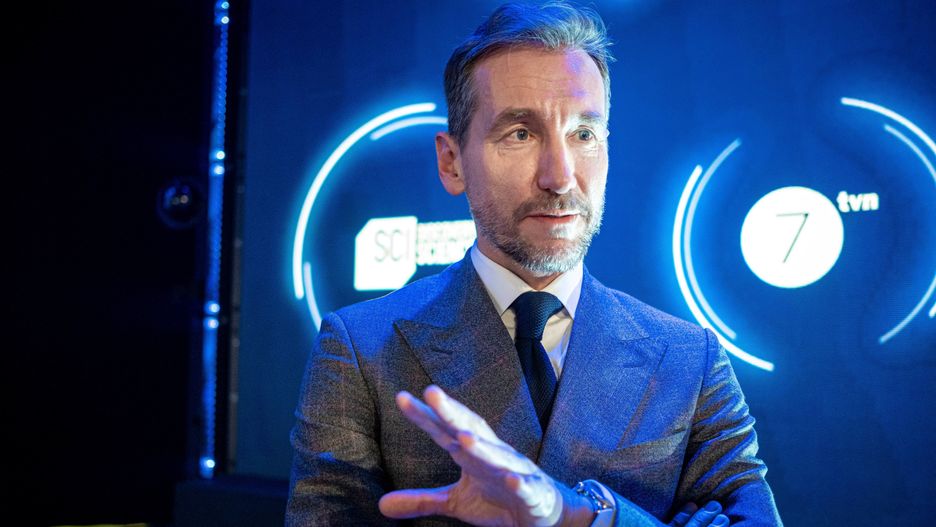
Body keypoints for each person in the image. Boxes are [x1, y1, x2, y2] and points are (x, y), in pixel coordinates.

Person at [286, 2, 783, 526]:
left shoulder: (689, 359)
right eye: (521, 134)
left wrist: (585, 515)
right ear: (452, 162)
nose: (560, 177)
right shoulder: (361, 350)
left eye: (584, 134)